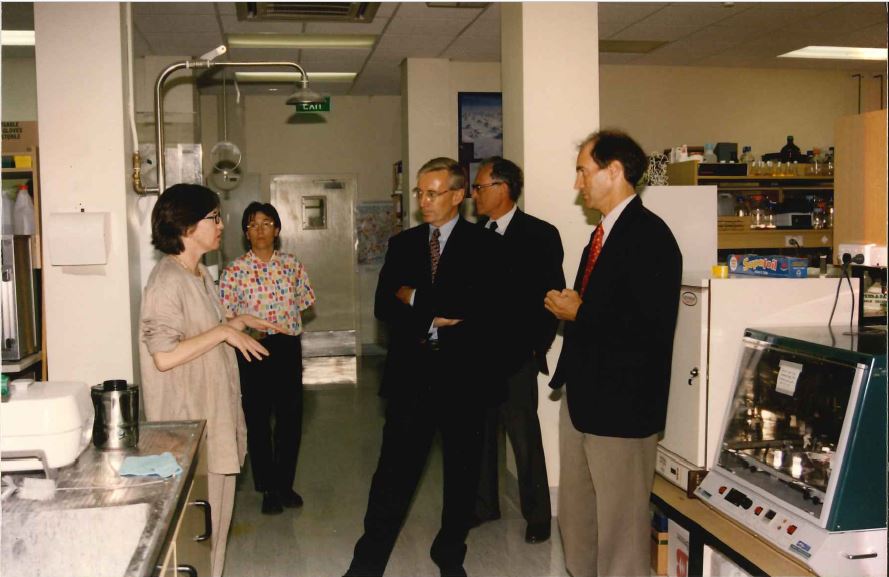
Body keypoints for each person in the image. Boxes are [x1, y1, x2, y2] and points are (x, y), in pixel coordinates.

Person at [344, 157, 508, 577]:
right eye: (420, 192)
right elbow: (384, 305)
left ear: (458, 195)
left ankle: (449, 552)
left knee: (462, 477)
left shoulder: (485, 245)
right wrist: (432, 314)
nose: (424, 201)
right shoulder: (404, 244)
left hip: (465, 381)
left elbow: (472, 306)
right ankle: (367, 563)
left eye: (433, 193)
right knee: (392, 477)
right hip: (410, 379)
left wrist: (413, 297)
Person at [544, 131, 682, 577]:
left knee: (620, 530)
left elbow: (649, 329)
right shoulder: (600, 236)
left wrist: (580, 311)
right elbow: (604, 309)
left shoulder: (651, 237)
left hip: (623, 408)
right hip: (584, 399)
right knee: (578, 516)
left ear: (615, 171)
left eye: (584, 171)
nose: (578, 183)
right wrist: (575, 310)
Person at [139, 184, 285, 577]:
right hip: (190, 430)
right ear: (187, 225)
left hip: (213, 420)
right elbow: (165, 355)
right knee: (196, 540)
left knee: (213, 533)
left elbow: (199, 333)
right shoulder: (167, 281)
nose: (222, 225)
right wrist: (223, 333)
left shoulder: (198, 273)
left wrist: (236, 323)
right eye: (213, 218)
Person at [469, 156, 565, 544]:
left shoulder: (540, 235)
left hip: (516, 359)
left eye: (479, 187)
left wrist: (533, 348)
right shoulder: (473, 235)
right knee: (480, 434)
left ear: (502, 188)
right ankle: (482, 506)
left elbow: (551, 298)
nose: (474, 195)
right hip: (476, 357)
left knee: (523, 436)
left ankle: (537, 514)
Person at [219, 202, 315, 515]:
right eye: (252, 225)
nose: (260, 230)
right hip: (251, 349)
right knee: (258, 419)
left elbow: (303, 302)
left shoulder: (292, 264)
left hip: (287, 347)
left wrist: (280, 325)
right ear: (246, 233)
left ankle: (285, 484)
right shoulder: (234, 270)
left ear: (277, 229)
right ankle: (267, 488)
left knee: (290, 419)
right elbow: (227, 314)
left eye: (266, 223)